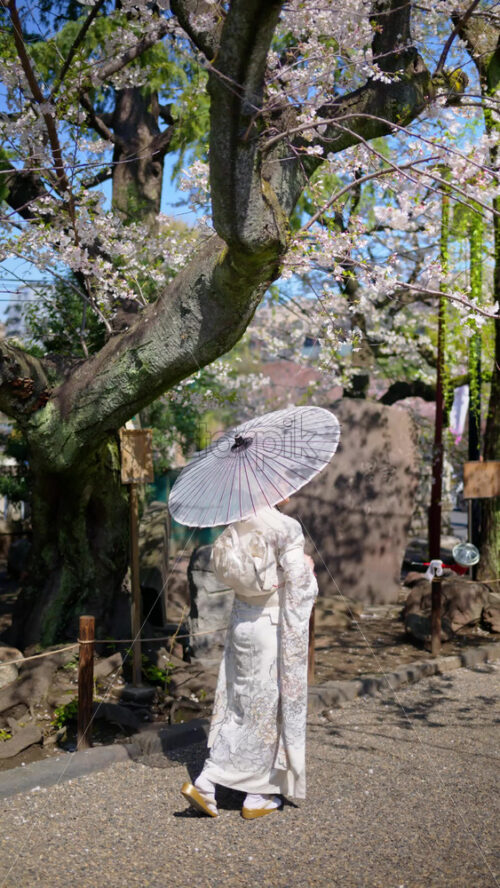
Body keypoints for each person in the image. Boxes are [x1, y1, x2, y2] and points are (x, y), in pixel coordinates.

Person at [180, 500, 318, 820]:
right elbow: (300, 584)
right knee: (265, 709)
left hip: (242, 623)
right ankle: (218, 782)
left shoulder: (233, 527)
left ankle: (255, 788)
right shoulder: (285, 527)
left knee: (242, 703)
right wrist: (308, 571)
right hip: (271, 626)